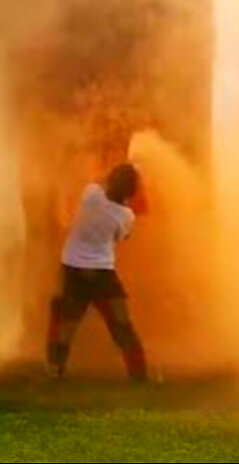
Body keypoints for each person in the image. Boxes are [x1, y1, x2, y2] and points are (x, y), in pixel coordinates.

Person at [45, 162, 149, 382]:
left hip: (73, 268)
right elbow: (122, 237)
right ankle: (139, 375)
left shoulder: (91, 194)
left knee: (68, 325)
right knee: (122, 324)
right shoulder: (125, 215)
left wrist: (118, 171)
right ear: (130, 191)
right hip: (101, 273)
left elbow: (101, 180)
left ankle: (55, 371)